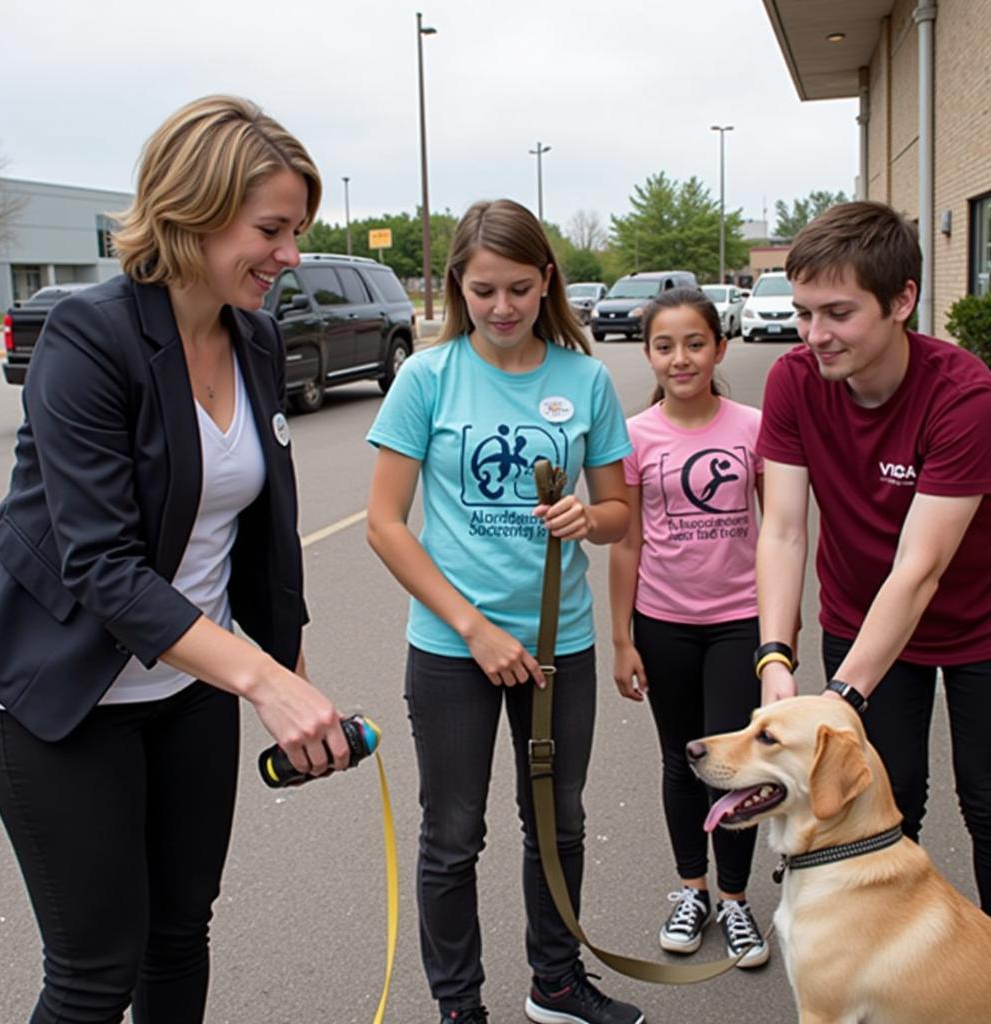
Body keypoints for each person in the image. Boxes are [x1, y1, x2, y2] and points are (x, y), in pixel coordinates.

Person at [0, 95, 353, 1023]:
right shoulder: (90, 338)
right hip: (63, 696)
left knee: (182, 935)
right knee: (96, 971)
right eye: (270, 228)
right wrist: (265, 682)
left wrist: (288, 672)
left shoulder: (254, 336)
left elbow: (261, 537)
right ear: (192, 210)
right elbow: (101, 564)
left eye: (298, 230)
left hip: (187, 689)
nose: (290, 256)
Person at [365, 199, 644, 1024]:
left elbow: (621, 510)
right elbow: (385, 525)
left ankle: (555, 984)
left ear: (547, 279)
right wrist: (474, 628)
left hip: (562, 645)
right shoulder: (427, 377)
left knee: (559, 823)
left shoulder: (584, 378)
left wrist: (588, 521)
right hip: (456, 647)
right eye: (483, 290)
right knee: (452, 836)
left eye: (520, 288)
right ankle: (461, 1006)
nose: (502, 308)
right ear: (458, 284)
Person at [755, 199, 991, 913]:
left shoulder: (965, 397)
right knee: (884, 807)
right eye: (803, 313)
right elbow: (784, 531)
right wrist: (775, 658)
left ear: (902, 300)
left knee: (986, 804)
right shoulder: (794, 381)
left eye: (838, 313)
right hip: (861, 617)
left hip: (978, 625)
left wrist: (841, 699)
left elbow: (920, 567)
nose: (815, 335)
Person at [608, 287, 770, 968]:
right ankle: (691, 890)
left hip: (739, 623)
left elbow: (781, 533)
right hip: (662, 622)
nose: (681, 358)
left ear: (720, 347)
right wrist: (622, 639)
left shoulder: (754, 426)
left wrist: (777, 636)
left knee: (734, 767)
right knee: (680, 759)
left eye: (695, 343)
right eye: (666, 346)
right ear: (648, 354)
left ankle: (735, 900)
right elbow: (626, 543)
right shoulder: (635, 436)